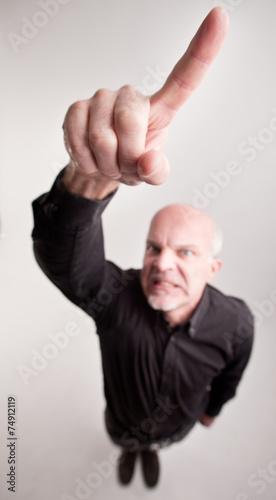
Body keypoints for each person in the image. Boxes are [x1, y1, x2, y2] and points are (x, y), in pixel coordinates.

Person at [32, 7, 254, 488]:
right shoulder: (117, 297)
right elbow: (64, 261)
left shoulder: (237, 321)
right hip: (122, 422)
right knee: (128, 442)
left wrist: (212, 410)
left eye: (185, 253)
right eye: (154, 248)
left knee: (160, 443)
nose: (161, 263)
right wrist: (89, 180)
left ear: (213, 267)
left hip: (179, 428)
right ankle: (133, 452)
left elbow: (231, 374)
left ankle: (154, 451)